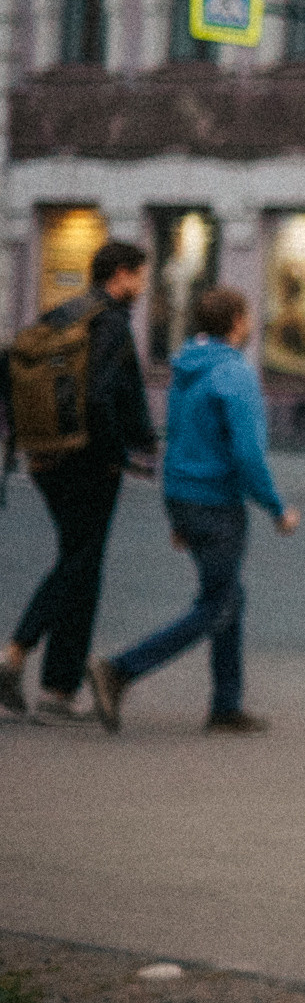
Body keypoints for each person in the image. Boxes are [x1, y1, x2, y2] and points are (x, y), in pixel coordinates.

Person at [87, 287, 298, 735]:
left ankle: (226, 704)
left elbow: (178, 436)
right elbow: (248, 454)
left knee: (229, 598)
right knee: (217, 604)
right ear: (237, 321)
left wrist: (177, 515)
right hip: (217, 502)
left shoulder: (185, 366)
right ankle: (120, 670)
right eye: (249, 315)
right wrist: (277, 507)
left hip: (183, 495)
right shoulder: (235, 374)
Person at [3, 240, 158, 723]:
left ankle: (58, 690)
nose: (142, 285)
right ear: (121, 276)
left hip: (46, 455)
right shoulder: (109, 322)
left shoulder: (61, 315)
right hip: (88, 463)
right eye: (139, 275)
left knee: (81, 566)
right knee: (80, 562)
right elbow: (102, 396)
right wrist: (119, 455)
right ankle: (15, 653)